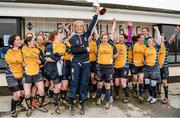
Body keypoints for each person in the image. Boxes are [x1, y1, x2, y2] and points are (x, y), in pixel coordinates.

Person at [68, 10, 99, 115]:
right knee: (74, 82)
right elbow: (73, 50)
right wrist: (86, 49)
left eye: (81, 26)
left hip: (86, 63)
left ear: (83, 27)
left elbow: (92, 24)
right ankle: (72, 102)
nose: (79, 28)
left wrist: (96, 14)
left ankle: (82, 102)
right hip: (75, 63)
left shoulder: (87, 35)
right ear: (75, 28)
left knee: (84, 83)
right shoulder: (72, 37)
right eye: (77, 26)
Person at [22, 37, 48, 117]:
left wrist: (40, 61)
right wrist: (23, 63)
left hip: (37, 72)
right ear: (28, 42)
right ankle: (29, 108)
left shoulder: (38, 50)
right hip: (27, 73)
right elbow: (20, 59)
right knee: (27, 94)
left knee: (41, 91)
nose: (35, 42)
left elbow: (43, 59)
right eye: (33, 41)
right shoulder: (23, 50)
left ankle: (40, 105)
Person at [45, 30, 66, 114]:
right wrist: (59, 58)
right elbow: (47, 58)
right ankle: (56, 105)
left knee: (63, 86)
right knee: (58, 87)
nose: (60, 35)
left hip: (62, 68)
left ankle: (56, 97)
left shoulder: (62, 45)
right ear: (55, 36)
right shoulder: (50, 46)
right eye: (59, 34)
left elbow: (65, 54)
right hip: (54, 69)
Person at [158, 26, 180, 104]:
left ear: (164, 39)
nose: (161, 39)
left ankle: (166, 97)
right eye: (160, 38)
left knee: (164, 81)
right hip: (157, 66)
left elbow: (171, 39)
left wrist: (175, 32)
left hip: (164, 66)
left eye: (162, 38)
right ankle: (159, 94)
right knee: (158, 81)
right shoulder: (157, 45)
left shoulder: (166, 44)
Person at [96, 33, 118, 109]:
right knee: (99, 84)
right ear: (101, 39)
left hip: (108, 67)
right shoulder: (98, 44)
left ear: (108, 39)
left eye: (106, 38)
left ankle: (107, 101)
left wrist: (111, 59)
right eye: (103, 38)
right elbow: (96, 33)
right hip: (100, 66)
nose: (104, 39)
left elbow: (116, 54)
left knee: (107, 85)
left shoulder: (112, 45)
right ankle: (98, 98)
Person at [5, 35, 25, 117]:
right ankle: (12, 110)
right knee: (17, 94)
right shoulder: (9, 52)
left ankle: (18, 104)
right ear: (13, 42)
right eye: (18, 40)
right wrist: (19, 61)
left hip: (20, 75)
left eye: (20, 39)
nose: (19, 41)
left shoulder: (21, 51)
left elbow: (23, 63)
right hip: (11, 75)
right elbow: (10, 61)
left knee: (23, 93)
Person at [114, 22, 133, 103]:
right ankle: (117, 94)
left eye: (121, 37)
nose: (120, 38)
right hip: (116, 66)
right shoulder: (115, 45)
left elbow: (129, 37)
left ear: (124, 39)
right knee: (116, 82)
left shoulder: (127, 44)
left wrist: (130, 27)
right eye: (119, 37)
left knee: (123, 82)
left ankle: (127, 96)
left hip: (124, 66)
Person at [144, 26, 161, 104]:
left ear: (154, 43)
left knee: (153, 84)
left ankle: (155, 97)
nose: (149, 42)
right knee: (147, 83)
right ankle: (150, 95)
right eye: (148, 41)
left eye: (151, 41)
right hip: (147, 68)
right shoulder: (146, 49)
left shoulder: (156, 48)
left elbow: (159, 40)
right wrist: (144, 62)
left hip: (154, 68)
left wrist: (157, 30)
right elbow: (144, 58)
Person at [132, 34, 147, 102]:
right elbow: (130, 37)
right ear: (138, 39)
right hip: (135, 64)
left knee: (141, 79)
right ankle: (135, 90)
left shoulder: (144, 46)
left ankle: (141, 95)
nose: (143, 39)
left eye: (144, 38)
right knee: (135, 79)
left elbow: (146, 55)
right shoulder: (134, 44)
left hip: (142, 65)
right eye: (142, 38)